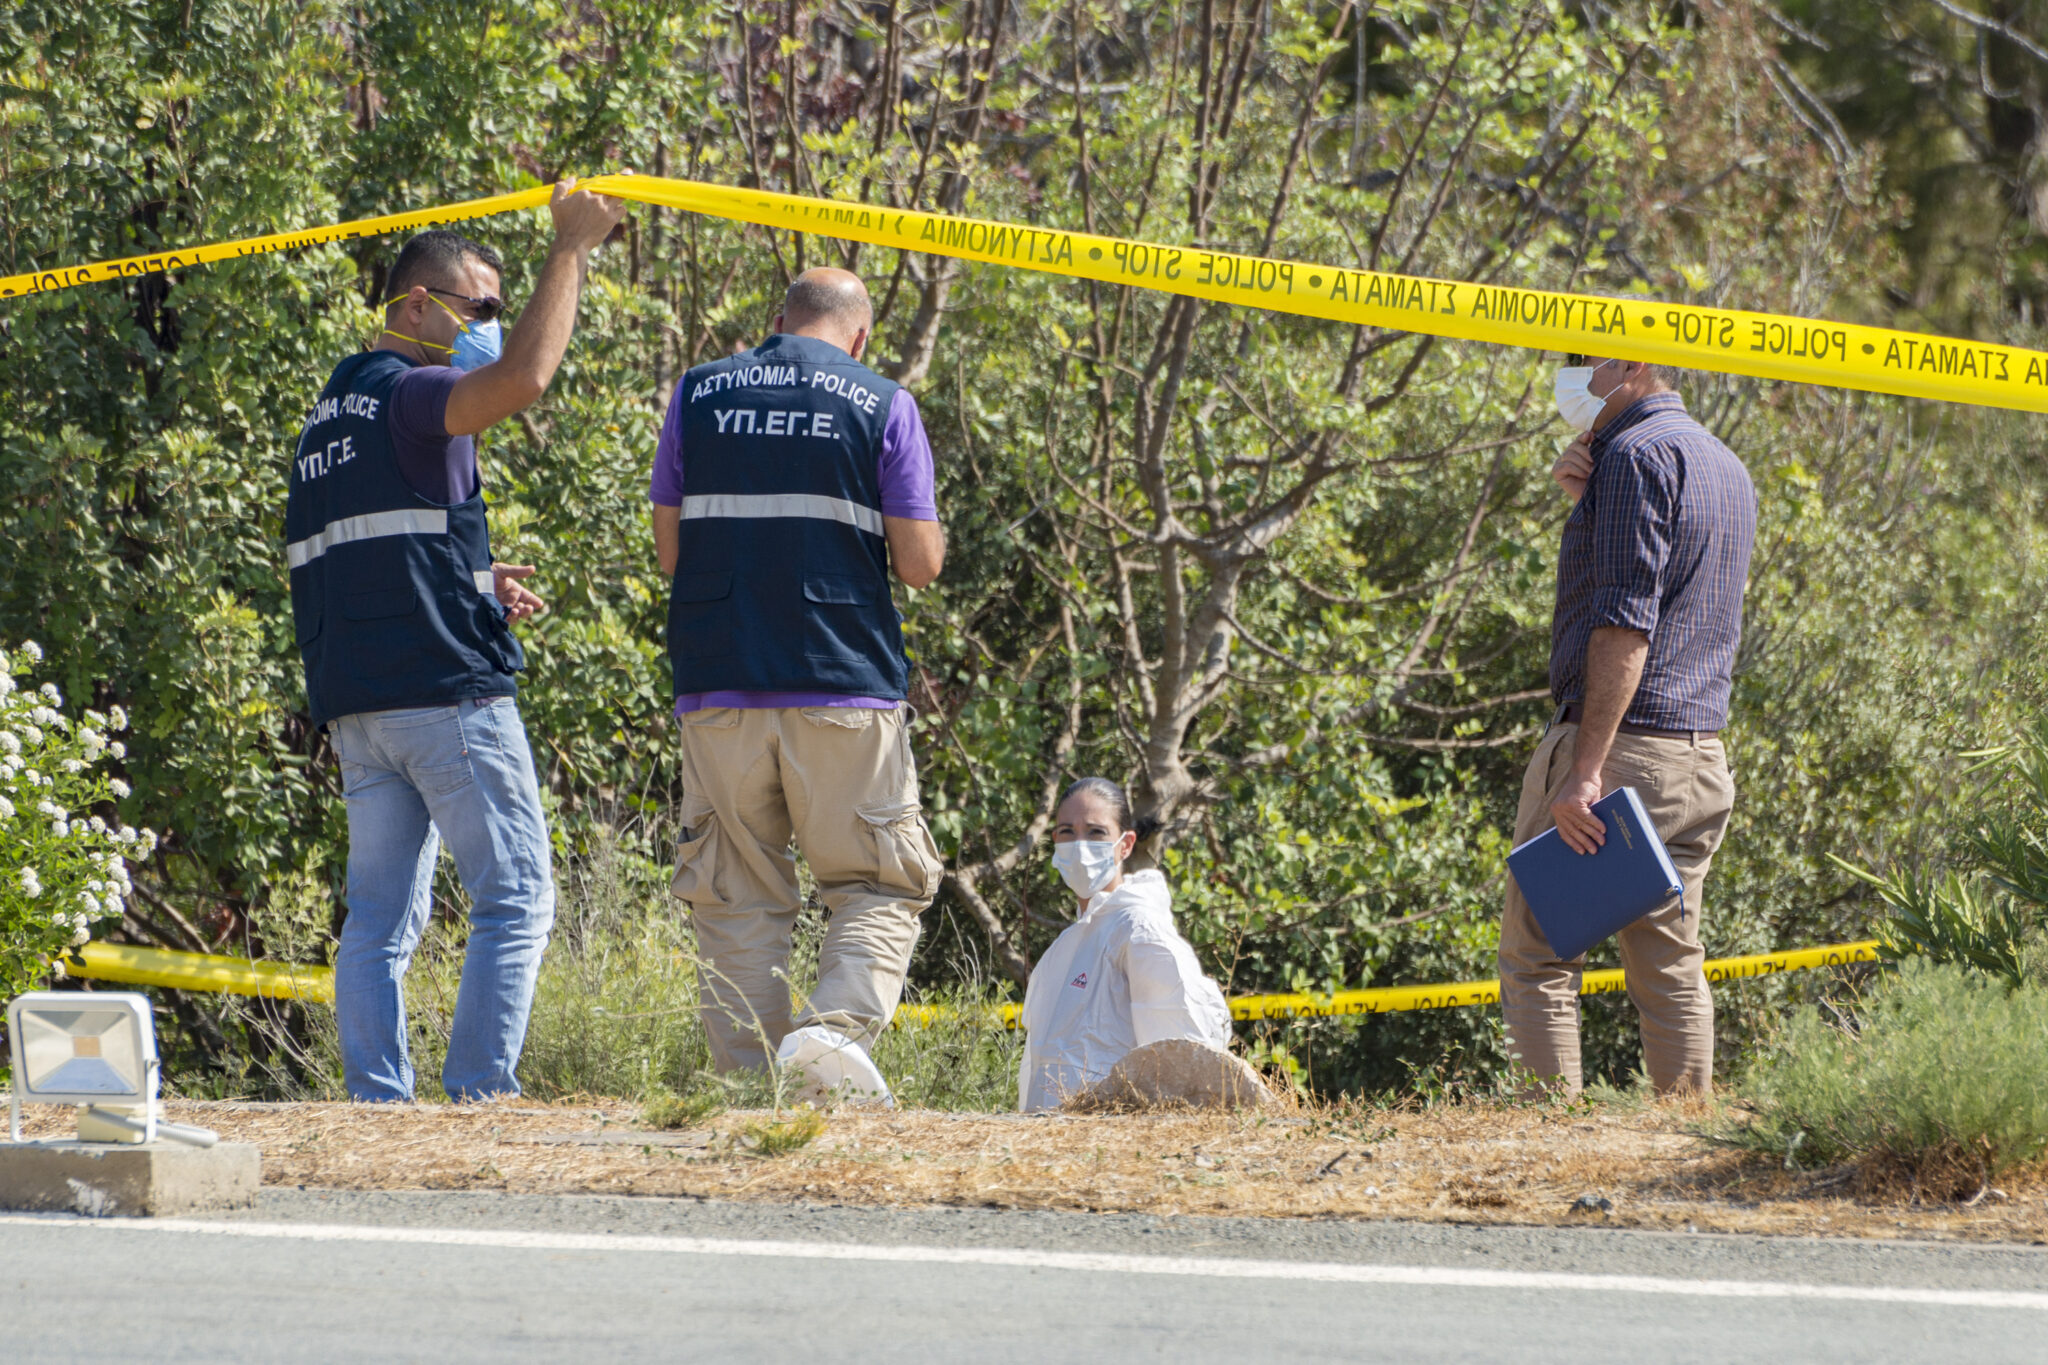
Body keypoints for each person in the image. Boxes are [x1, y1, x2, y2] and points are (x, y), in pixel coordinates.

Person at [286, 180, 627, 1102]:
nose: (490, 322)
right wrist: (572, 248)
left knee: (379, 924)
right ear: (416, 305)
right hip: (445, 696)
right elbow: (522, 380)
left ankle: (378, 1106)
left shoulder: (331, 413)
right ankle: (481, 1095)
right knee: (516, 897)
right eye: (480, 307)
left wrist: (478, 578)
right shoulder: (409, 393)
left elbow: (368, 553)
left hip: (361, 711)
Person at [650, 267, 947, 1105]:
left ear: (775, 321)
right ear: (861, 336)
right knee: (881, 881)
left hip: (717, 685)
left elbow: (672, 553)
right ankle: (829, 1043)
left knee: (735, 892)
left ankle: (749, 1089)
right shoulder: (882, 402)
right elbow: (920, 566)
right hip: (840, 682)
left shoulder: (699, 392)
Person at [1497, 352, 1757, 1098]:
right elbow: (1682, 603)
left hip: (1620, 753)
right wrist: (1587, 503)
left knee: (1538, 955)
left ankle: (1547, 1146)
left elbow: (1624, 628)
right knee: (1671, 962)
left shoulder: (1634, 458)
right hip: (1699, 757)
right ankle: (1684, 1141)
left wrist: (1583, 772)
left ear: (1634, 361)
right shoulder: (1725, 465)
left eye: (1580, 358)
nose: (1563, 371)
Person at [1017, 778, 1233, 1113]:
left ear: (1126, 844)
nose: (1080, 845)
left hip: (1110, 1151)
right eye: (1066, 832)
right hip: (1051, 1152)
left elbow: (1185, 1064)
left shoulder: (1139, 930)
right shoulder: (1068, 944)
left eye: (1095, 832)